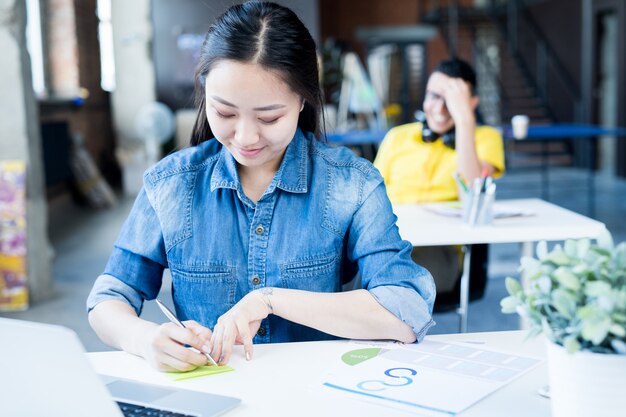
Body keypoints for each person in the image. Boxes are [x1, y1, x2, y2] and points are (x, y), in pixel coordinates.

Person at [87, 1, 435, 373]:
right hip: (213, 394)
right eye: (224, 113)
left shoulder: (352, 183)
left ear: (303, 100)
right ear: (205, 93)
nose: (246, 136)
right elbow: (109, 298)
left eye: (269, 117)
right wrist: (142, 339)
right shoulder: (170, 185)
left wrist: (270, 300)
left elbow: (407, 307)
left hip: (318, 395)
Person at [373, 58, 505, 308]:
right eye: (434, 96)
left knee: (392, 280)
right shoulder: (397, 137)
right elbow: (372, 197)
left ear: (471, 103)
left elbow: (474, 189)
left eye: (452, 101)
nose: (440, 109)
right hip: (387, 242)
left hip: (440, 249)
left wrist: (465, 120)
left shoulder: (486, 138)